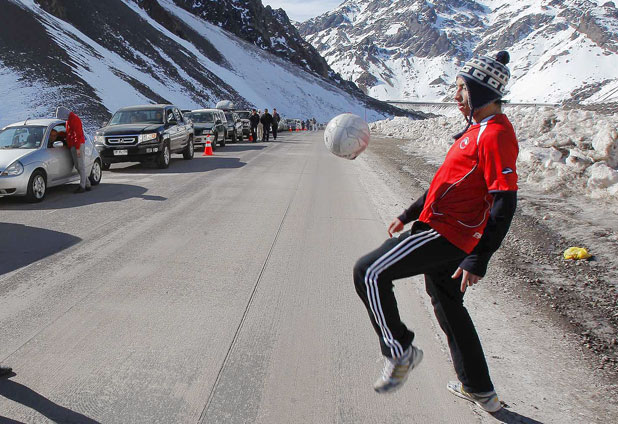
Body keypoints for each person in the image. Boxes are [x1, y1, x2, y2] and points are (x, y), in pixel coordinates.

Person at [353, 51, 517, 413]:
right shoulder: (475, 132)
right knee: (447, 304)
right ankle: (479, 389)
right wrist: (409, 213)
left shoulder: (494, 136)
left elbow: (505, 201)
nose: (456, 96)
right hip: (441, 228)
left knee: (369, 271)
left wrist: (479, 257)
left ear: (479, 91)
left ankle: (401, 352)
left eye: (461, 89)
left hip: (447, 234)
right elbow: (445, 184)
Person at [55, 106, 91, 193]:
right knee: (78, 166)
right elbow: (70, 133)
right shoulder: (68, 120)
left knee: (80, 166)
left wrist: (78, 148)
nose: (62, 119)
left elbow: (77, 135)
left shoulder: (74, 119)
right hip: (73, 145)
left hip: (77, 145)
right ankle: (87, 184)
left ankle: (82, 186)